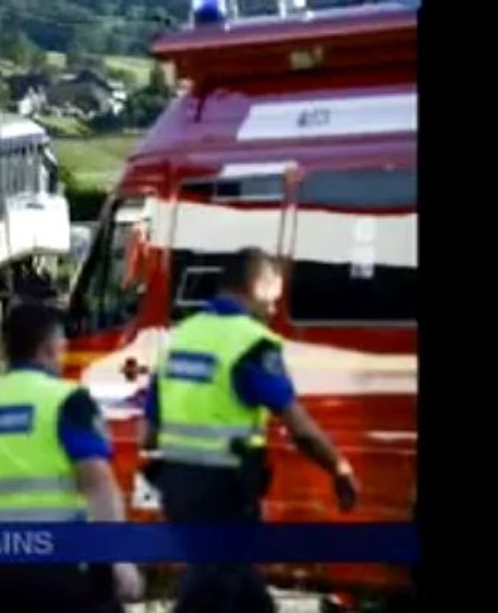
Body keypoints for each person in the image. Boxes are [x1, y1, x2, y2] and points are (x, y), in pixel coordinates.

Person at [140, 247, 360, 613]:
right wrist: (339, 467)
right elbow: (299, 427)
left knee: (245, 595)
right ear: (256, 286)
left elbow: (148, 432)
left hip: (175, 485)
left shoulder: (180, 338)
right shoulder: (251, 344)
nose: (274, 309)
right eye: (274, 296)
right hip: (225, 489)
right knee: (211, 587)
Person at [0, 302, 144, 612]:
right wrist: (119, 560)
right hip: (58, 574)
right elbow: (98, 483)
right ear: (48, 349)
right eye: (62, 348)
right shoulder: (66, 401)